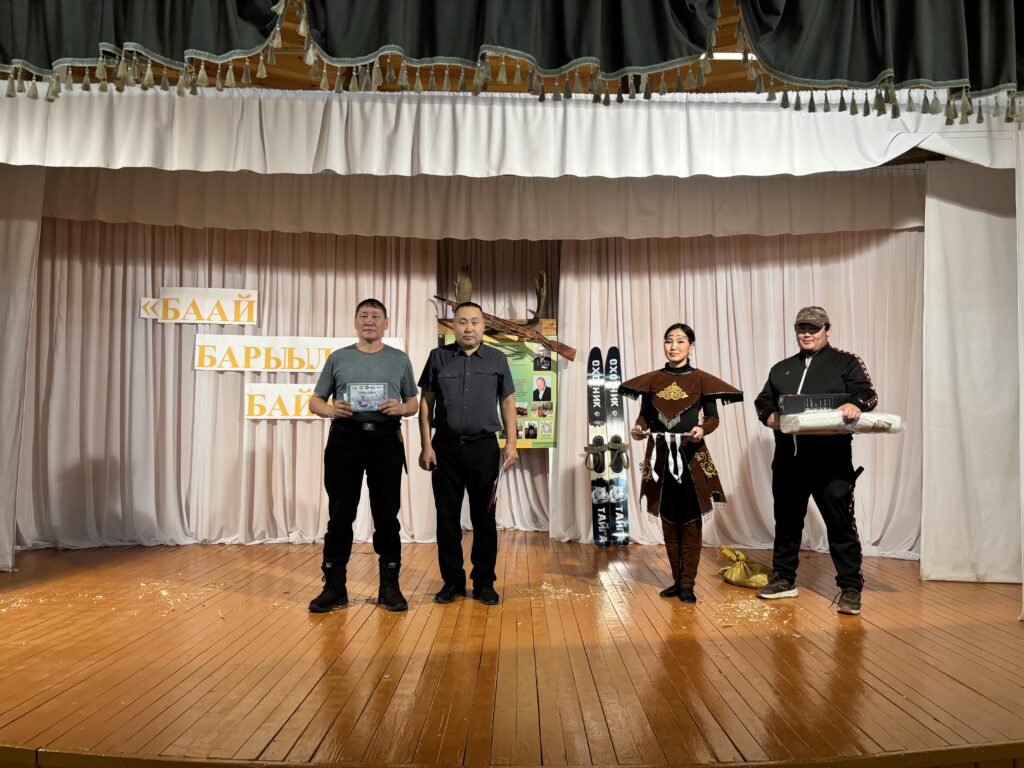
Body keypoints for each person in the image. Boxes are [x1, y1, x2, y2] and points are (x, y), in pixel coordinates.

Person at [753, 306, 878, 616]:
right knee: (787, 523)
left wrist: (855, 404)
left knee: (840, 525)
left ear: (827, 330)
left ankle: (850, 588)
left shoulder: (846, 362)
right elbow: (763, 400)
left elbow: (868, 394)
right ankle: (784, 579)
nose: (807, 334)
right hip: (788, 461)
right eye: (802, 328)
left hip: (831, 464)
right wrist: (769, 415)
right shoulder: (782, 368)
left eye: (814, 328)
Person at [307, 299, 418, 614]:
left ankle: (390, 587)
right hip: (345, 439)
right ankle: (334, 586)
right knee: (340, 514)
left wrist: (401, 408)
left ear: (386, 323)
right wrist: (331, 410)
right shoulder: (339, 358)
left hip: (386, 439)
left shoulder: (399, 359)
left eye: (376, 316)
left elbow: (413, 402)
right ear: (356, 322)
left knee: (387, 515)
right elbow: (315, 402)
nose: (370, 321)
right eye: (364, 316)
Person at [620, 323, 742, 603]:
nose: (673, 346)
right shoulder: (652, 380)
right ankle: (676, 581)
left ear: (691, 346)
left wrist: (703, 429)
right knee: (668, 518)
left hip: (691, 457)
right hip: (660, 458)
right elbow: (645, 416)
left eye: (680, 340)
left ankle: (688, 584)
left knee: (690, 520)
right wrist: (638, 428)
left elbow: (712, 418)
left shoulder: (701, 380)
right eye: (668, 340)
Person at [418, 302, 519, 606]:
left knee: (484, 517)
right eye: (462, 322)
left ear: (483, 326)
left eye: (475, 322)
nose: (469, 328)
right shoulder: (438, 357)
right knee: (446, 518)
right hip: (445, 448)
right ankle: (452, 582)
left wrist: (511, 443)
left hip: (483, 448)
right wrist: (426, 445)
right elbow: (426, 404)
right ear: (454, 326)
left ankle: (484, 582)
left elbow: (508, 403)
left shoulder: (497, 359)